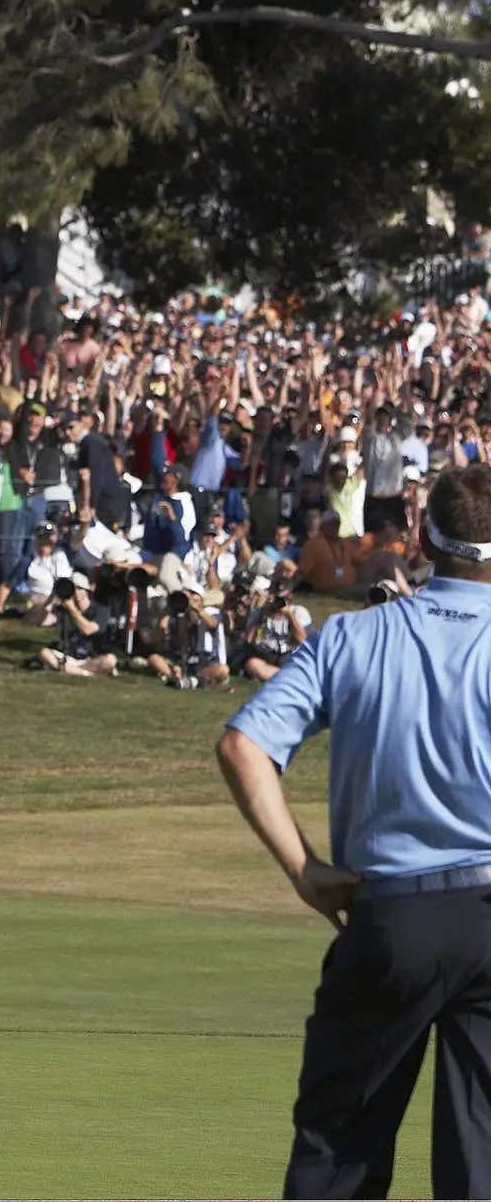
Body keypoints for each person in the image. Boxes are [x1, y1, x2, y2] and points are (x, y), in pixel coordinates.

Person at [218, 463, 491, 1200]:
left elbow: (243, 745)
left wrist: (304, 869)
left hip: (391, 914)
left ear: (422, 541)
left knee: (340, 1152)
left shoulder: (352, 636)